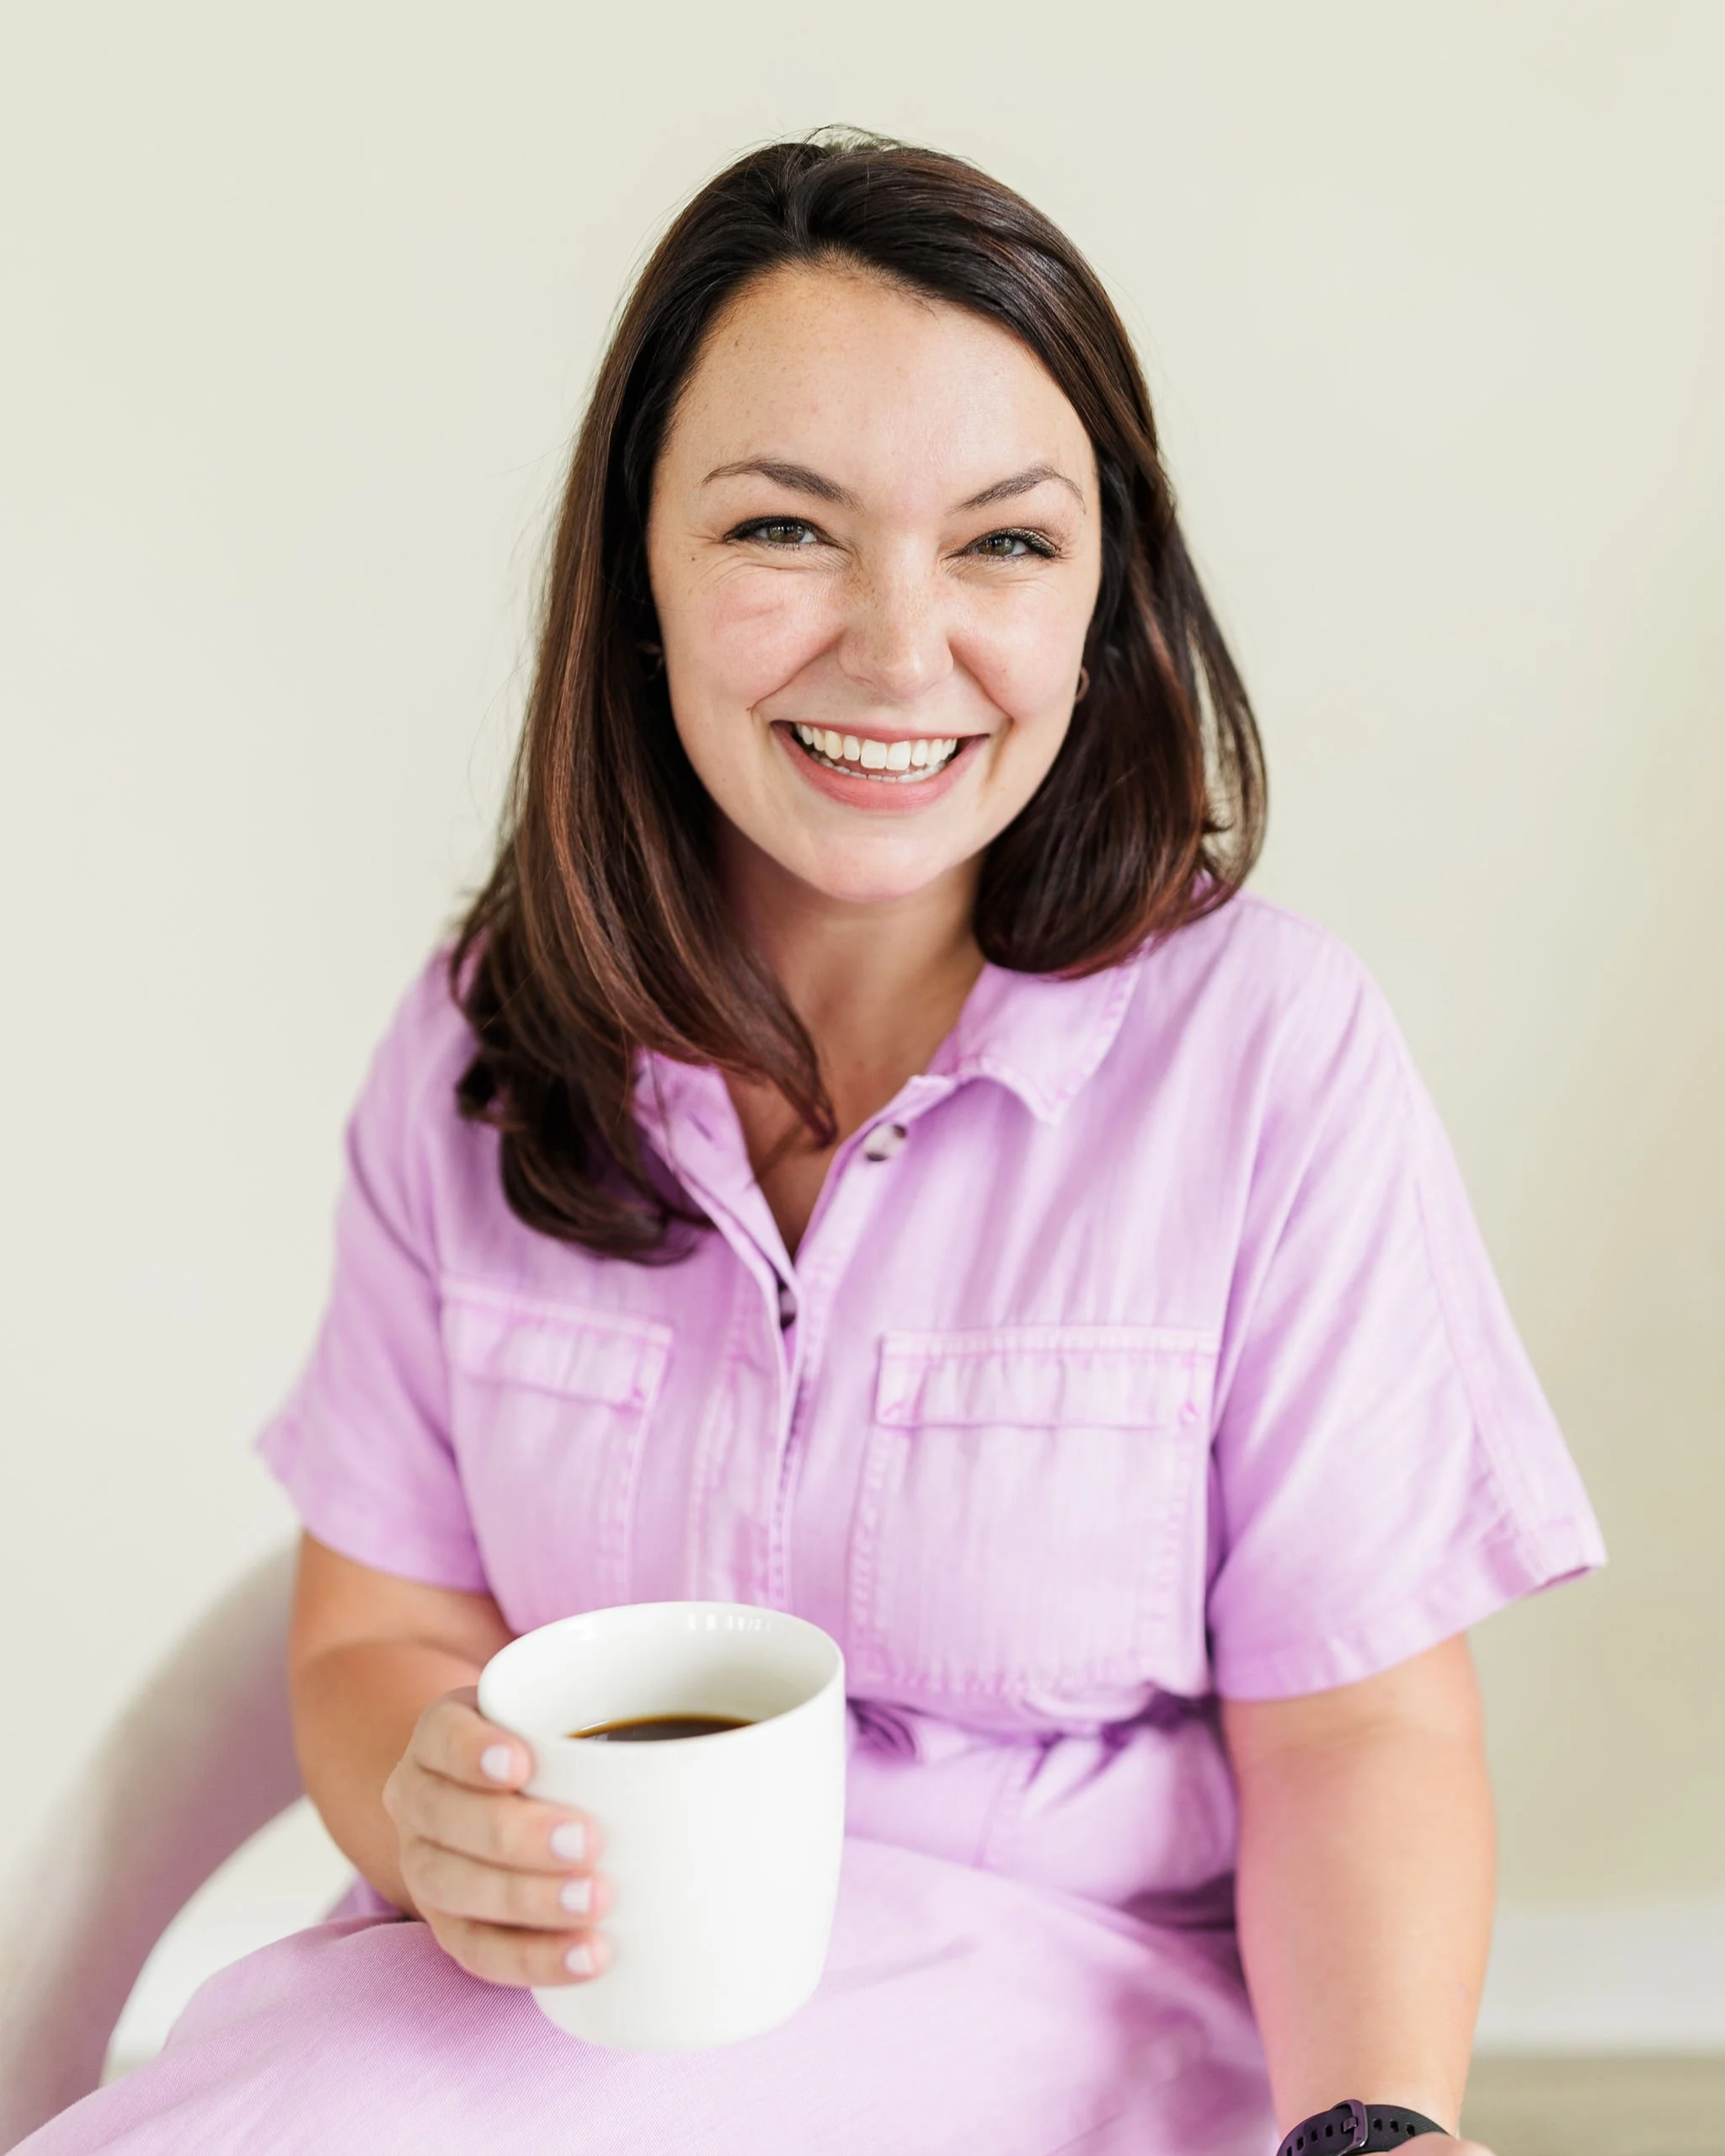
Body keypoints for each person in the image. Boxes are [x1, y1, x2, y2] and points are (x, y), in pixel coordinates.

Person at [26, 132, 1603, 2156]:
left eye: (1003, 543)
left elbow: (1359, 1722)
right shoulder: (482, 1040)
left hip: (1083, 2013)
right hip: (544, 2020)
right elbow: (371, 1628)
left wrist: (1374, 2131)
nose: (896, 645)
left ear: (1104, 595)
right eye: (784, 527)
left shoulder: (1269, 1055)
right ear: (637, 569)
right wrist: (432, 1812)